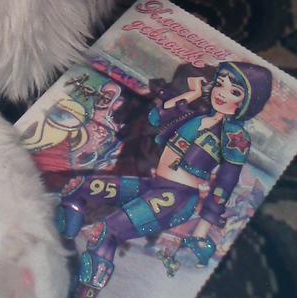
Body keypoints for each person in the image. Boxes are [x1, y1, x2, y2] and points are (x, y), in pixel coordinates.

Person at [55, 61, 273, 297]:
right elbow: (155, 118)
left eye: (234, 91)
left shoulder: (235, 137)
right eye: (220, 84)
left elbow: (225, 184)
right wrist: (192, 94)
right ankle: (60, 250)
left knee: (107, 231)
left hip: (176, 199)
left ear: (247, 102)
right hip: (153, 186)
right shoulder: (196, 116)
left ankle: (84, 292)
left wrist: (201, 231)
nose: (222, 93)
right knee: (78, 188)